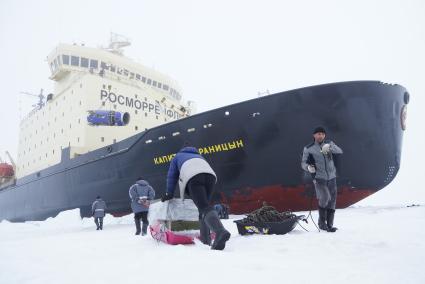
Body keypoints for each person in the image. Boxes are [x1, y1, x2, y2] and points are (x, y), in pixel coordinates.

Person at [161, 145, 231, 250]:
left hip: (194, 176)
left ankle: (220, 231)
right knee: (203, 208)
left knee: (203, 207)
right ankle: (206, 240)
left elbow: (172, 175)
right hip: (211, 177)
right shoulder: (199, 156)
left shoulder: (178, 156)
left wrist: (169, 193)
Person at [301, 126, 343, 232]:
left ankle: (330, 225)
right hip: (319, 178)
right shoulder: (308, 148)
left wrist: (330, 147)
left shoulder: (329, 143)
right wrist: (308, 167)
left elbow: (339, 151)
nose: (321, 136)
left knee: (332, 200)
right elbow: (303, 163)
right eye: (318, 134)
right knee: (325, 198)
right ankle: (321, 223)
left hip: (332, 177)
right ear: (314, 135)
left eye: (323, 134)